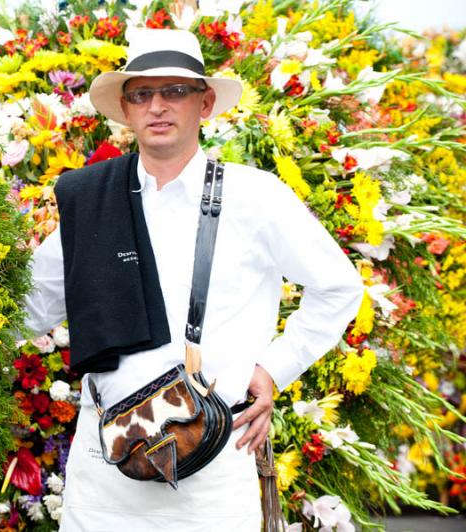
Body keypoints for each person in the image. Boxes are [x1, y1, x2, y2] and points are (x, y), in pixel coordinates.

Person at [24, 28, 363, 531]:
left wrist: (274, 368)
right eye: (143, 93)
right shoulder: (91, 200)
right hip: (105, 467)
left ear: (204, 104)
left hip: (214, 467)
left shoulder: (256, 196)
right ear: (126, 107)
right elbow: (30, 308)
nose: (157, 105)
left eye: (175, 91)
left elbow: (339, 286)